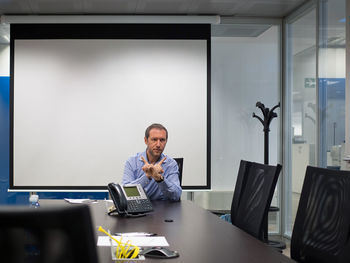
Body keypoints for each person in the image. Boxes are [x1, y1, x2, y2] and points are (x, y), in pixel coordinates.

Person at [122, 123, 182, 201]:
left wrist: (160, 179)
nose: (158, 144)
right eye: (154, 139)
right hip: (138, 209)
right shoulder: (132, 162)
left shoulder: (171, 164)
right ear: (146, 140)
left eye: (162, 140)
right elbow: (125, 193)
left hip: (163, 210)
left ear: (166, 141)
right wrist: (147, 176)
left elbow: (176, 196)